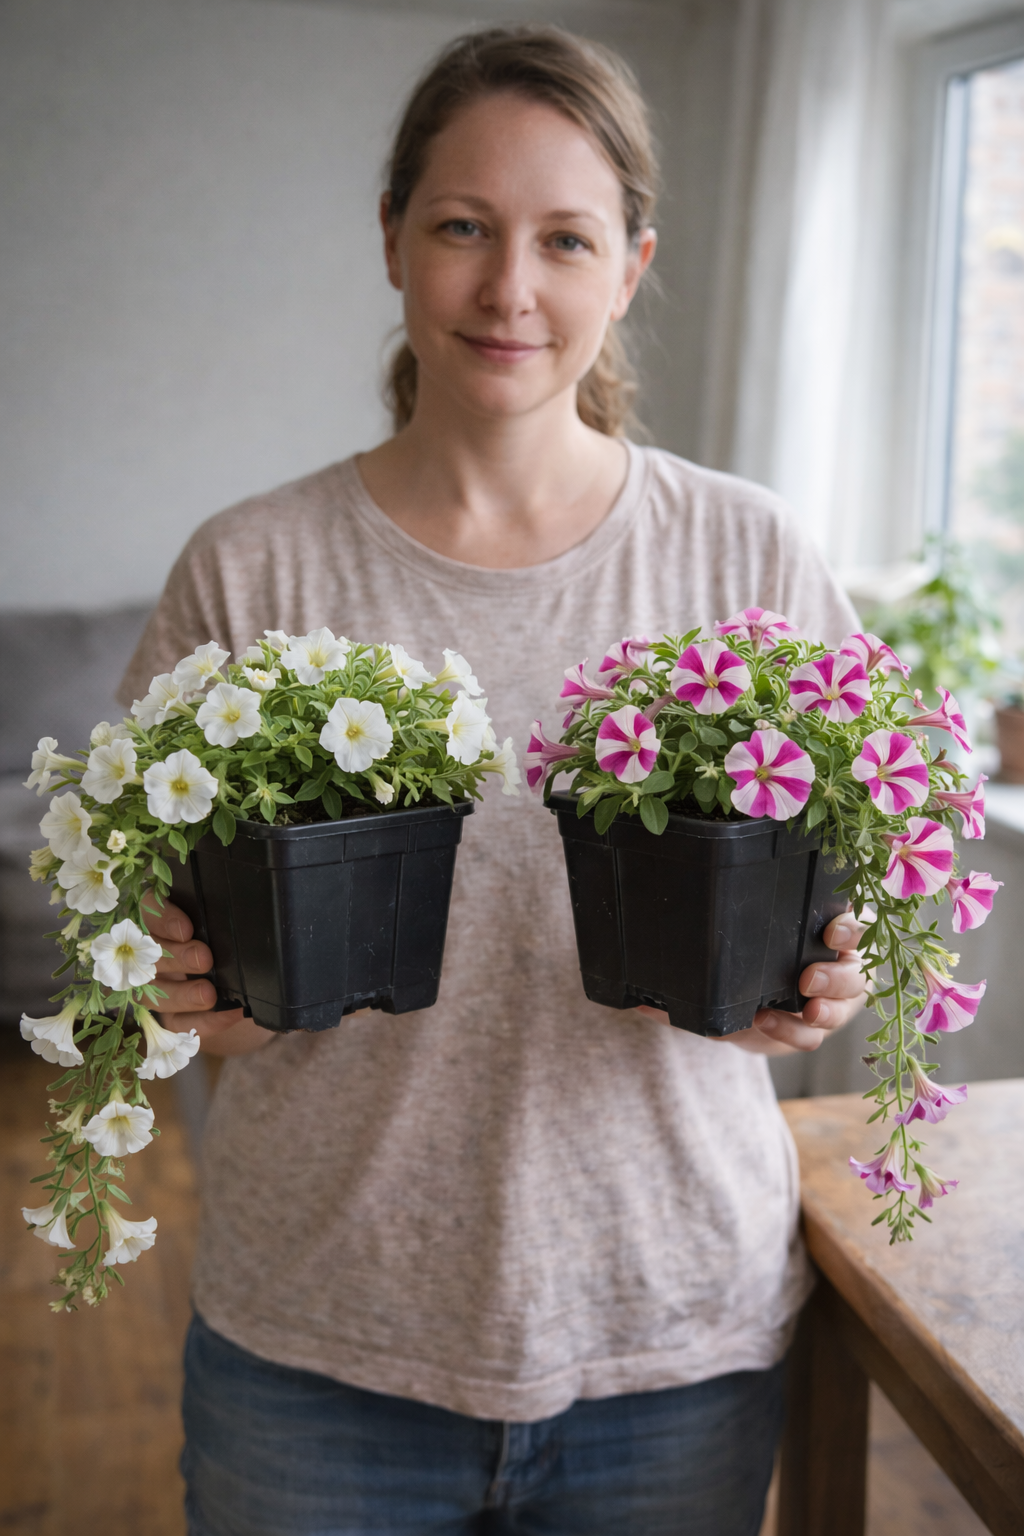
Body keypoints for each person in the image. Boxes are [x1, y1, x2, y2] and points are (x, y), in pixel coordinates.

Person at [122, 27, 867, 1536]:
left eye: (565, 240)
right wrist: (182, 994)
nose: (509, 288)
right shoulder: (252, 567)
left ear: (631, 267)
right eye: (463, 226)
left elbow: (851, 883)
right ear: (392, 238)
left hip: (669, 1341)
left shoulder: (748, 552)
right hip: (317, 1353)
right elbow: (142, 932)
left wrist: (818, 986)